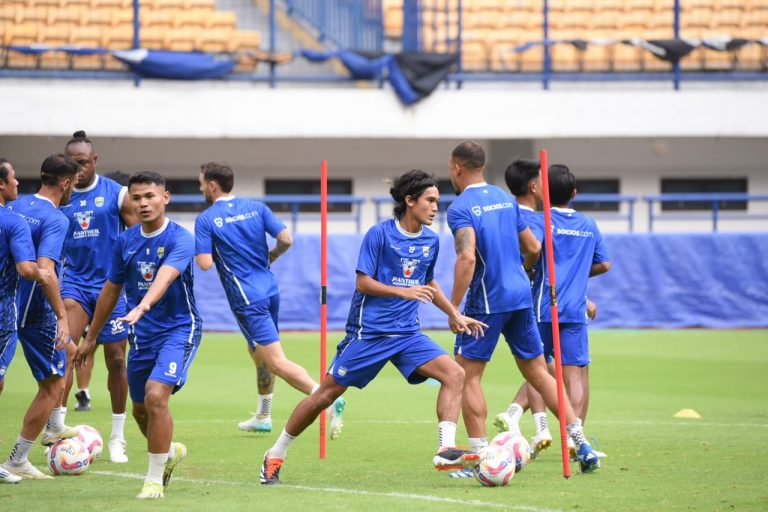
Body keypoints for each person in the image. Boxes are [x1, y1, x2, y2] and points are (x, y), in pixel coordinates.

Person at [259, 169, 487, 485]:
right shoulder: (379, 234)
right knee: (325, 396)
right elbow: (363, 282)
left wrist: (453, 313)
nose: (436, 207)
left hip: (407, 334)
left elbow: (427, 281)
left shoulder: (431, 240)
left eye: (438, 201)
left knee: (455, 374)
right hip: (370, 334)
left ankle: (445, 448)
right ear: (410, 201)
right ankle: (276, 453)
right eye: (430, 200)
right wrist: (403, 291)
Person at [446, 142, 600, 474]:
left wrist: (454, 306)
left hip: (486, 301)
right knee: (539, 374)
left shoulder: (460, 207)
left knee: (467, 376)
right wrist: (525, 272)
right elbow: (532, 246)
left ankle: (479, 458)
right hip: (521, 297)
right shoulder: (506, 199)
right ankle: (581, 441)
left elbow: (467, 257)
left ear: (456, 167)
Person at [73, 171, 202, 499]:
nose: (143, 203)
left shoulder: (180, 238)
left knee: (157, 396)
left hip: (178, 329)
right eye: (137, 198)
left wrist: (144, 304)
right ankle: (169, 451)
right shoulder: (125, 242)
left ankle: (153, 481)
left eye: (150, 196)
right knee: (140, 411)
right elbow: (110, 292)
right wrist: (90, 338)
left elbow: (166, 276)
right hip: (142, 335)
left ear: (165, 198)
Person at [195, 162, 344, 436]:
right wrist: (271, 256)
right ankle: (263, 416)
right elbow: (286, 238)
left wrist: (210, 249)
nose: (200, 187)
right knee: (257, 354)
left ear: (213, 185)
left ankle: (326, 397)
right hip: (269, 290)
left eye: (202, 182)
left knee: (275, 360)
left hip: (246, 297)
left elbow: (204, 263)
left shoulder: (206, 219)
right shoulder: (256, 207)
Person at [500, 165, 611, 450]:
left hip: (543, 306)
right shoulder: (589, 224)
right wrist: (576, 276)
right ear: (574, 193)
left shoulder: (541, 220)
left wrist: (530, 268)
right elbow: (604, 264)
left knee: (538, 370)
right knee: (575, 375)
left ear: (544, 193)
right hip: (575, 309)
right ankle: (576, 438)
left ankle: (523, 418)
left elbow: (531, 250)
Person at [60, 130, 137, 463]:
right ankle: (57, 429)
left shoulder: (117, 194)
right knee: (65, 352)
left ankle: (118, 437)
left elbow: (135, 237)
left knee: (117, 361)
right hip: (74, 283)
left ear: (94, 161)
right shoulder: (59, 198)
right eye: (72, 164)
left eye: (83, 163)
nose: (78, 170)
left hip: (111, 287)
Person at [1, 154, 78, 480]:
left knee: (70, 354)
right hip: (31, 313)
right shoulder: (57, 219)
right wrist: (61, 316)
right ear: (66, 183)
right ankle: (19, 457)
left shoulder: (14, 207)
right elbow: (45, 271)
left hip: (10, 303)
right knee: (53, 382)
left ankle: (56, 424)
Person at [0, 158, 52, 484]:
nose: (18, 183)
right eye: (14, 178)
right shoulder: (13, 222)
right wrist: (43, 271)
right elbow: (24, 268)